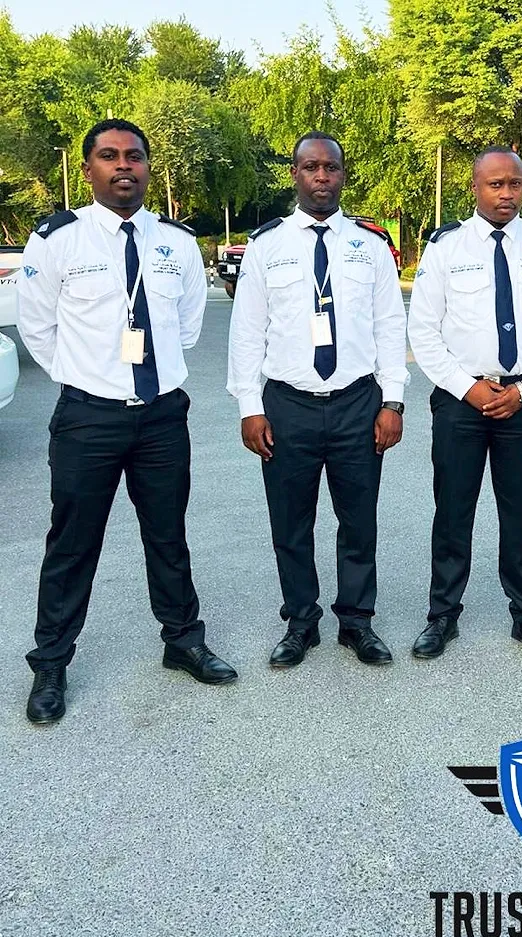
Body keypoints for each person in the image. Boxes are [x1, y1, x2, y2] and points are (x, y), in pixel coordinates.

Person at [17, 118, 237, 724]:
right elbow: (37, 325)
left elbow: (189, 321)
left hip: (162, 415)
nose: (123, 166)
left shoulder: (176, 242)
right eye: (110, 156)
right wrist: (87, 375)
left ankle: (183, 641)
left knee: (167, 534)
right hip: (89, 416)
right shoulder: (58, 240)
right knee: (73, 541)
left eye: (134, 157)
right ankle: (52, 662)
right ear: (89, 169)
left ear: (147, 167)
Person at [227, 131, 408, 668]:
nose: (322, 177)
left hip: (357, 401)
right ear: (295, 175)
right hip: (288, 404)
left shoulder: (370, 245)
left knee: (359, 520)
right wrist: (249, 407)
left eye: (331, 167)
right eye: (311, 167)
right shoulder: (267, 245)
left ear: (343, 175)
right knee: (291, 521)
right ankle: (301, 622)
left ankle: (357, 622)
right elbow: (246, 331)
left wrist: (392, 402)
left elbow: (389, 325)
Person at [407, 146, 522, 661]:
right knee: (453, 511)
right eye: (495, 185)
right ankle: (442, 617)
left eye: (515, 184)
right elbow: (424, 329)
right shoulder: (446, 248)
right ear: (474, 187)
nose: (506, 194)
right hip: (462, 400)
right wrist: (469, 387)